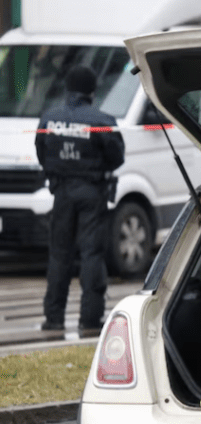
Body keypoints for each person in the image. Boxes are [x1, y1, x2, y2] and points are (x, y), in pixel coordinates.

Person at [36, 65, 125, 338]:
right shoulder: (102, 120)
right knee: (92, 255)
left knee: (59, 256)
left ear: (67, 89)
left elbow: (41, 152)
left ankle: (53, 319)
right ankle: (89, 320)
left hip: (61, 193)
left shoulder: (48, 119)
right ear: (92, 91)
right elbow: (117, 156)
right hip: (92, 193)